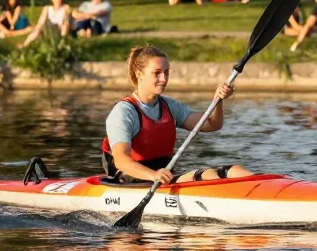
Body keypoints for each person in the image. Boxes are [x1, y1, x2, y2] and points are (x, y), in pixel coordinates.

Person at [101, 45, 253, 183]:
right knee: (208, 175)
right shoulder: (124, 112)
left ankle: (268, 189)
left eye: (166, 72)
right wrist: (153, 175)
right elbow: (121, 160)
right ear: (139, 74)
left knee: (235, 170)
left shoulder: (170, 106)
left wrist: (218, 101)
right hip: (131, 179)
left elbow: (212, 124)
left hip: (163, 177)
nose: (164, 79)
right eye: (157, 73)